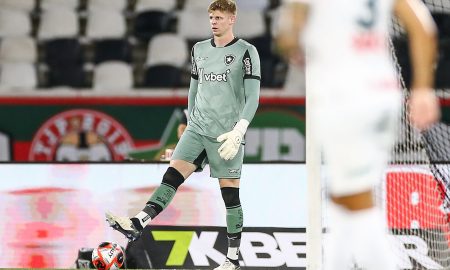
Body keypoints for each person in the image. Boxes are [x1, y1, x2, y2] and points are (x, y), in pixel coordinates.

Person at [276, 0, 439, 269]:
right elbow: (423, 26)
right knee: (344, 197)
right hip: (383, 94)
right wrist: (422, 88)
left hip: (346, 98)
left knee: (357, 201)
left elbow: (289, 35)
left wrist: (295, 40)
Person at [105, 1, 260, 269]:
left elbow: (253, 96)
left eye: (219, 17)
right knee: (173, 174)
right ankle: (138, 222)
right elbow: (193, 90)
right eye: (211, 16)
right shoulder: (199, 50)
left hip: (227, 135)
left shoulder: (247, 52)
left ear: (232, 19)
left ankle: (233, 259)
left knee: (230, 196)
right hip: (197, 128)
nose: (214, 21)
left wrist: (239, 130)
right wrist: (190, 124)